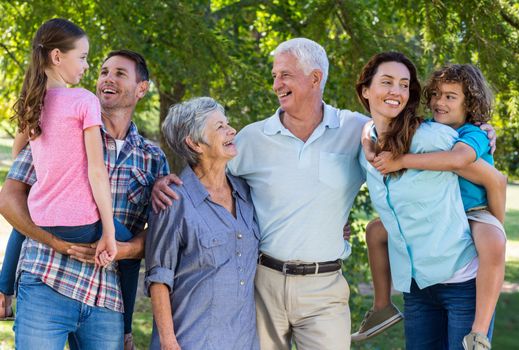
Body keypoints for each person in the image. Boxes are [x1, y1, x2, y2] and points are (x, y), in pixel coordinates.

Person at [152, 38, 368, 350]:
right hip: (263, 284)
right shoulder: (252, 139)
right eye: (274, 76)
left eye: (285, 75)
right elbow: (205, 173)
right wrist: (166, 183)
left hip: (324, 286)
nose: (277, 84)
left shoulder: (355, 129)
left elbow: (390, 167)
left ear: (315, 78)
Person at [0, 47, 168, 349]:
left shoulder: (153, 158)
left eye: (120, 73)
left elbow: (158, 232)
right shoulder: (64, 125)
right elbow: (12, 199)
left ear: (142, 88)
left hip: (106, 298)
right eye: (104, 72)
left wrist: (123, 249)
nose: (108, 78)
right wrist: (50, 246)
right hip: (46, 280)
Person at [355, 51, 503, 349]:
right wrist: (368, 145)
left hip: (473, 214)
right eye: (435, 95)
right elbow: (368, 127)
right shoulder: (383, 132)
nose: (439, 102)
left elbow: (485, 174)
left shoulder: (459, 136)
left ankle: (478, 332)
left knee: (493, 241)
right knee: (375, 230)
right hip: (419, 282)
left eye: (450, 97)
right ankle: (382, 306)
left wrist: (494, 218)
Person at [145, 97, 260, 350]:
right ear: (195, 143)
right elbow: (159, 278)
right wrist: (168, 342)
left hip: (244, 341)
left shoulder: (246, 193)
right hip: (192, 341)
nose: (232, 131)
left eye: (228, 124)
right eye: (220, 127)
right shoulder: (173, 199)